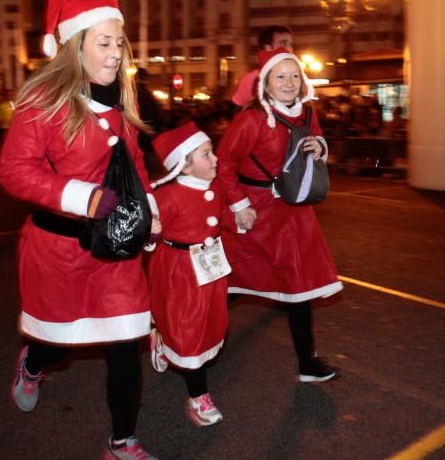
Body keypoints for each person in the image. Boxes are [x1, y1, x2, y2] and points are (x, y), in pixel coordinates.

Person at [0, 0, 163, 460]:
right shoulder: (44, 99)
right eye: (104, 43)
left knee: (125, 342)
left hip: (116, 252)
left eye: (119, 43)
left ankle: (123, 443)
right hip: (59, 252)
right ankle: (33, 363)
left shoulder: (123, 97)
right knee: (59, 345)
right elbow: (13, 170)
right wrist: (80, 197)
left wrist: (148, 209)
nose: (115, 54)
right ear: (75, 46)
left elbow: (132, 163)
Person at [216, 48, 342, 383]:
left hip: (292, 212)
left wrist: (321, 148)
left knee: (298, 285)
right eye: (280, 76)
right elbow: (224, 164)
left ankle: (307, 363)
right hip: (253, 212)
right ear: (266, 84)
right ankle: (187, 337)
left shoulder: (307, 113)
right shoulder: (252, 119)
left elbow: (317, 139)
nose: (289, 83)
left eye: (295, 75)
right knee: (229, 285)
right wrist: (239, 206)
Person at [146, 122, 230, 426]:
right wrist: (150, 231)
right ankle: (198, 397)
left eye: (212, 152)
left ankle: (161, 336)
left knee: (209, 322)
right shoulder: (166, 196)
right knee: (189, 328)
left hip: (210, 268)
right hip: (178, 271)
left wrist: (241, 216)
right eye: (206, 154)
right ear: (184, 165)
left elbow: (220, 217)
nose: (215, 159)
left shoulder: (216, 186)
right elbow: (145, 233)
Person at [230, 25, 294, 107]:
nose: (289, 49)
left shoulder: (297, 76)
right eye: (283, 43)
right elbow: (238, 110)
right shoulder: (251, 79)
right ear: (267, 47)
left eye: (290, 45)